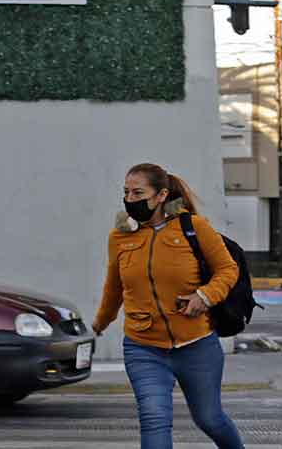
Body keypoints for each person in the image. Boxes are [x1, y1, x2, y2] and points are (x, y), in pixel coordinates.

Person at [92, 163, 244, 449]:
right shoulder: (121, 237)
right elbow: (114, 287)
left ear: (161, 195)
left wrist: (205, 296)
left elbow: (227, 269)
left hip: (196, 343)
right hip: (143, 345)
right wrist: (100, 322)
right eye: (126, 192)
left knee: (209, 418)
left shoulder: (193, 228)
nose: (130, 199)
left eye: (138, 192)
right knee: (153, 418)